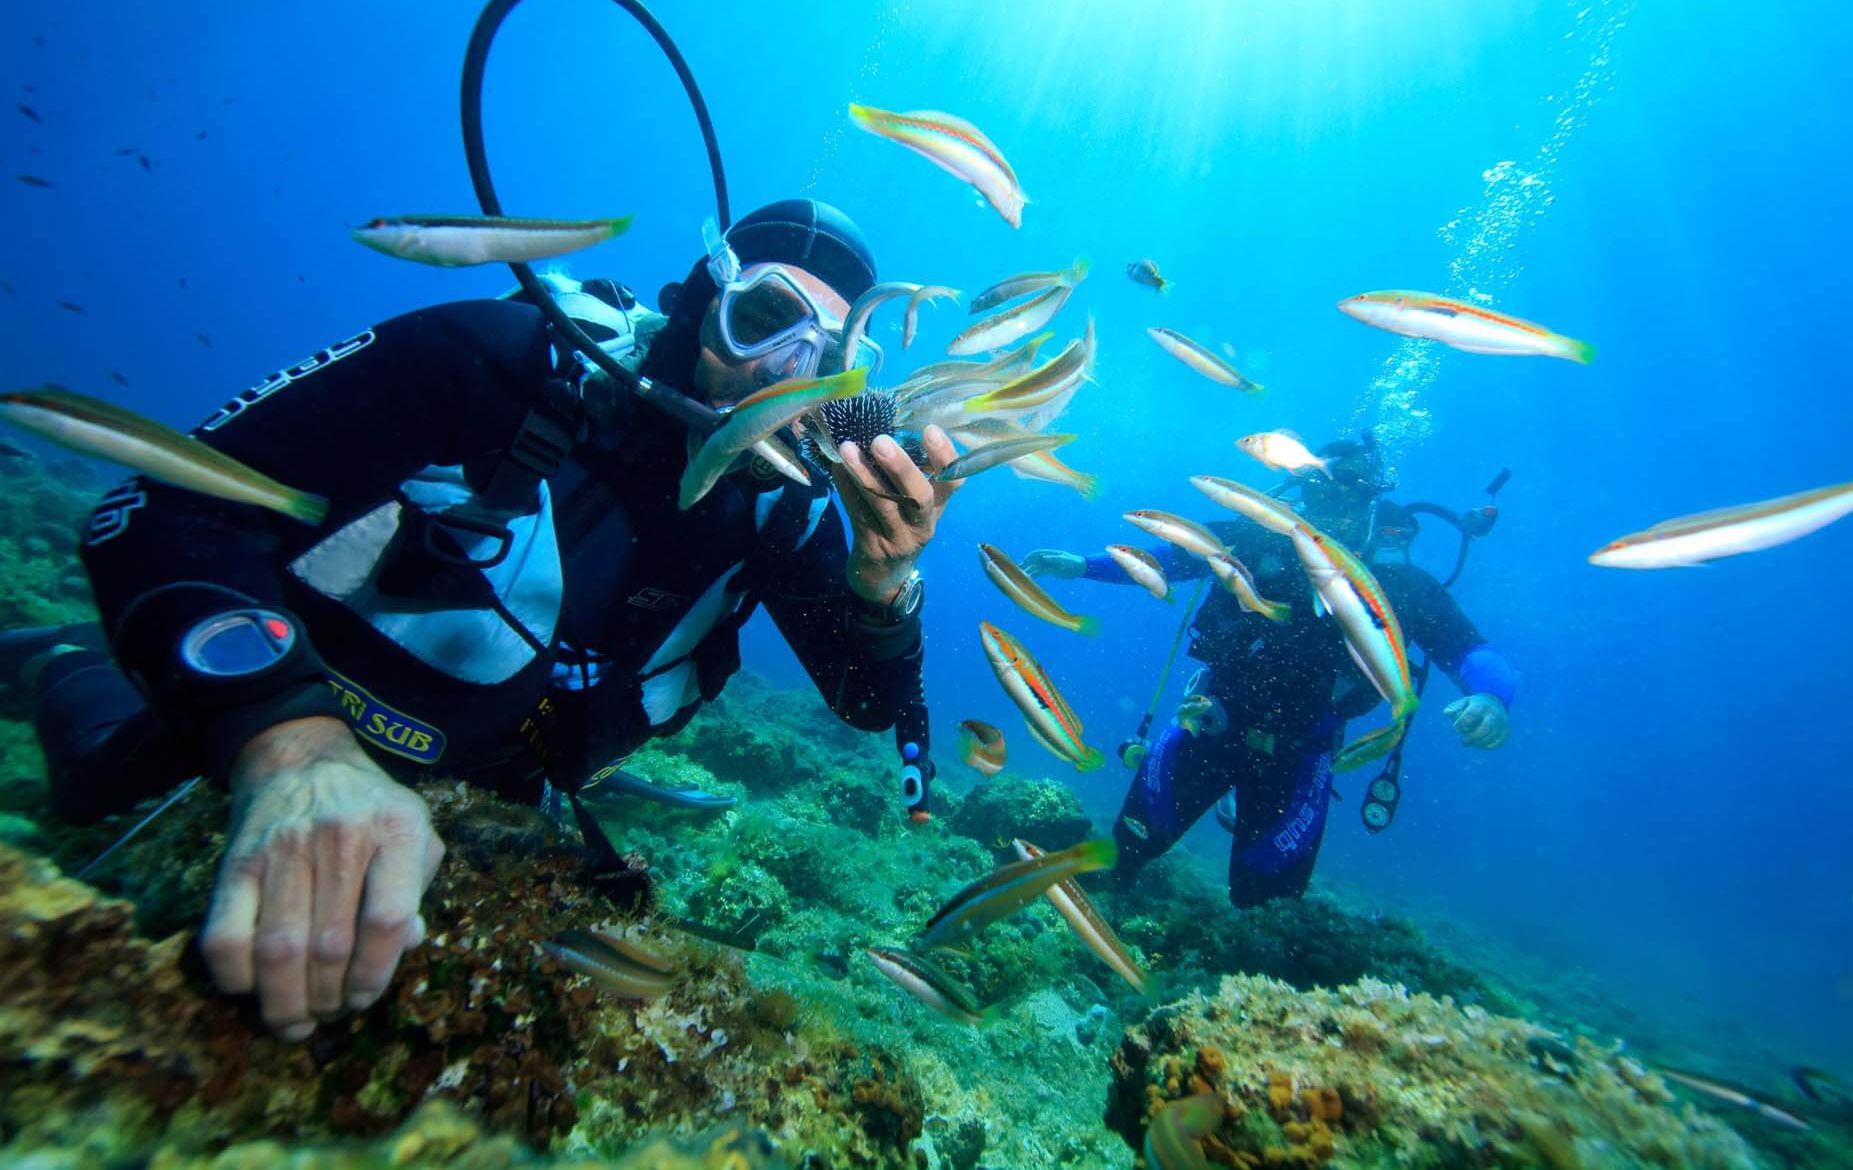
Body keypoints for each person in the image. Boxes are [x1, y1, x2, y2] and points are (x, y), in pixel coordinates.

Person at [0, 199, 961, 1041]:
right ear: (701, 298)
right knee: (92, 789)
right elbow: (162, 504)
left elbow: (863, 703)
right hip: (280, 723)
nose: (777, 378)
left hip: (500, 808)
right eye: (761, 320)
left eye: (825, 362)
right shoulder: (500, 363)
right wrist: (289, 749)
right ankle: (61, 662)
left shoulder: (781, 515)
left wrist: (886, 583)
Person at [1022, 435, 1515, 909]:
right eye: (1320, 488)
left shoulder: (1398, 583)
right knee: (1127, 849)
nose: (1333, 503)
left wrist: (1492, 698)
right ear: (1302, 487)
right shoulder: (1254, 535)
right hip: (1208, 723)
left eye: (1350, 491)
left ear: (1371, 499)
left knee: (1267, 906)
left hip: (1300, 755)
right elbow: (1171, 556)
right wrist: (1082, 566)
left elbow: (1469, 650)